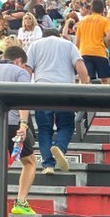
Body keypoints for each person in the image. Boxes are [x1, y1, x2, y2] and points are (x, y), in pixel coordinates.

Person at [0, 45, 37, 217]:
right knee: (30, 162)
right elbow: (23, 98)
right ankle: (20, 202)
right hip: (11, 123)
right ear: (19, 61)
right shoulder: (20, 72)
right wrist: (24, 124)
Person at [26, 29, 90, 175]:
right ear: (58, 35)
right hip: (65, 90)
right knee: (66, 125)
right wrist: (86, 86)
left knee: (44, 129)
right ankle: (60, 148)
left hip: (42, 91)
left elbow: (27, 69)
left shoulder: (35, 45)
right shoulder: (68, 45)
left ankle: (48, 165)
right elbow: (80, 66)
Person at [75, 0, 110, 84]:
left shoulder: (82, 21)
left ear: (91, 8)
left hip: (84, 52)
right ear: (103, 9)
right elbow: (109, 37)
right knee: (105, 80)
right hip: (99, 52)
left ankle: (82, 96)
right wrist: (106, 45)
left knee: (85, 79)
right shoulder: (105, 21)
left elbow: (77, 42)